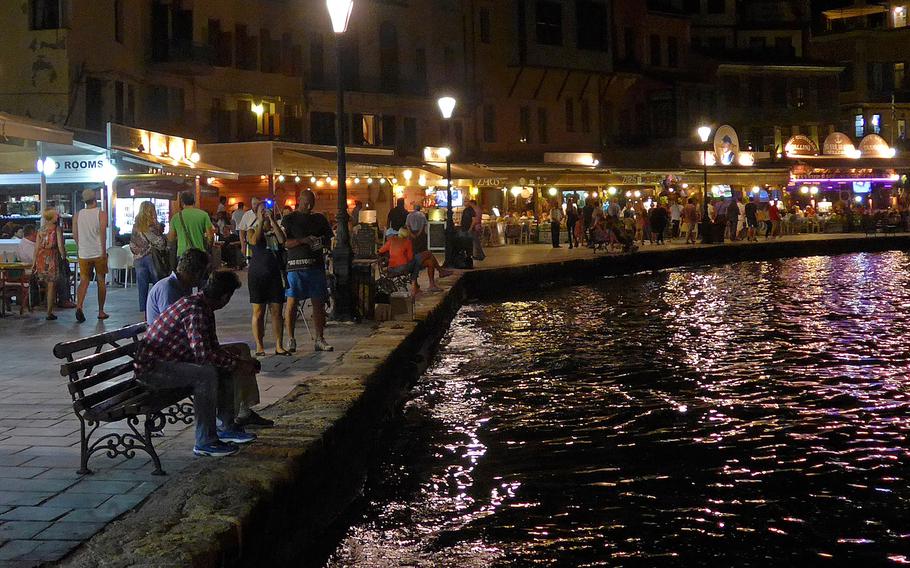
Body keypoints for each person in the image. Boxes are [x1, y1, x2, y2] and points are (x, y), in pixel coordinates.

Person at [135, 271, 259, 457]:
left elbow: (212, 348)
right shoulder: (196, 310)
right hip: (153, 371)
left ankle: (226, 426)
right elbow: (203, 355)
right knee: (206, 374)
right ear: (225, 297)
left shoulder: (202, 305)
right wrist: (239, 364)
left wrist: (236, 361)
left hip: (170, 362)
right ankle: (205, 440)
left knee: (224, 366)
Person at [283, 190, 334, 353]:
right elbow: (284, 242)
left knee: (318, 302)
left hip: (315, 266)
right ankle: (290, 338)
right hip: (295, 266)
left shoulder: (319, 219)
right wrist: (302, 240)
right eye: (306, 203)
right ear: (299, 200)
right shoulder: (289, 219)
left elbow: (328, 239)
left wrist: (319, 243)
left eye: (311, 203)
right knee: (292, 302)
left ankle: (319, 338)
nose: (309, 206)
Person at [246, 201, 289, 357]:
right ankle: (259, 345)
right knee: (258, 311)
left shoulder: (275, 229)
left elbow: (282, 240)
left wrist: (272, 222)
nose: (264, 213)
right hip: (257, 275)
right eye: (261, 211)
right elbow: (254, 241)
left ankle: (279, 345)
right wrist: (259, 222)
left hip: (274, 274)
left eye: (266, 210)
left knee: (277, 311)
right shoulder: (251, 230)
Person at [146, 249, 210, 325]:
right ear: (198, 273)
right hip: (166, 334)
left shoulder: (183, 286)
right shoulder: (168, 288)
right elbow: (171, 323)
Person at [73, 188, 108, 323]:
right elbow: (103, 234)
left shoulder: (78, 215)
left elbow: (75, 234)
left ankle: (79, 306)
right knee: (100, 280)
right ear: (95, 199)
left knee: (84, 280)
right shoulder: (101, 214)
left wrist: (80, 246)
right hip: (98, 252)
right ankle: (100, 311)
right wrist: (103, 251)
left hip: (84, 253)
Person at [130, 201, 168, 317]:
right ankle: (157, 309)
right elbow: (160, 243)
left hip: (138, 259)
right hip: (151, 257)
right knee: (157, 283)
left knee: (142, 286)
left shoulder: (135, 225)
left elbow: (132, 244)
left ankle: (145, 312)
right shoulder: (152, 225)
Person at [33, 209, 64, 320]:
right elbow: (60, 246)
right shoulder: (57, 229)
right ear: (52, 216)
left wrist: (34, 263)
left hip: (41, 257)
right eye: (56, 214)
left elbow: (36, 248)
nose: (58, 215)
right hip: (52, 257)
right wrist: (64, 257)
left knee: (46, 284)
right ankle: (49, 311)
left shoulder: (40, 230)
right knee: (51, 286)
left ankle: (47, 307)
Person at [379, 227, 424, 297]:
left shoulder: (391, 241)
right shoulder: (407, 242)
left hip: (390, 269)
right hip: (401, 269)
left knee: (415, 262)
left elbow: (380, 250)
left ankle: (415, 286)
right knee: (416, 262)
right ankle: (413, 285)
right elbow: (410, 258)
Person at [169, 191, 214, 258]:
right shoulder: (204, 215)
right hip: (199, 253)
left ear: (182, 202)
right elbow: (210, 236)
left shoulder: (175, 217)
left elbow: (171, 238)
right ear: (194, 201)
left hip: (182, 254)